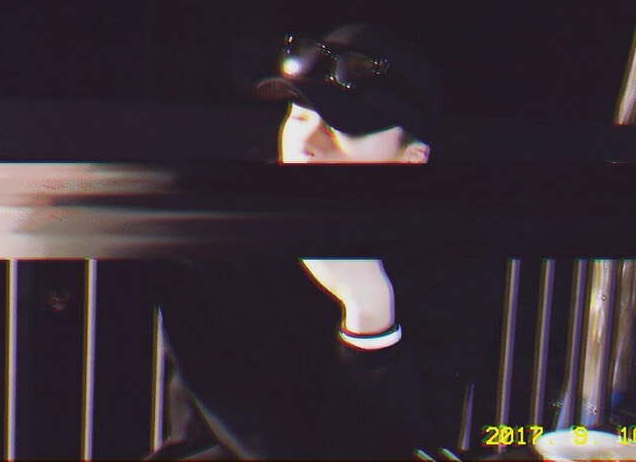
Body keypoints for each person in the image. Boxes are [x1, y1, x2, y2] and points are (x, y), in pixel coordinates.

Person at [148, 24, 502, 460]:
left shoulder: (450, 263)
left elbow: (420, 436)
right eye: (298, 117)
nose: (306, 145)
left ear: (411, 159)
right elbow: (262, 442)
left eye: (339, 128)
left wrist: (370, 313)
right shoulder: (220, 245)